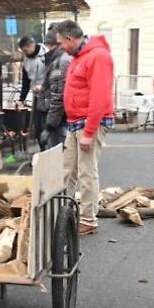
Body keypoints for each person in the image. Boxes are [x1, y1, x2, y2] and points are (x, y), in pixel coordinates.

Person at [55, 20, 114, 235]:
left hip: (89, 123)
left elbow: (100, 97)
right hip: (75, 122)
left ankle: (88, 219)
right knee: (68, 169)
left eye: (62, 43)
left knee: (86, 172)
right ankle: (63, 212)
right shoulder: (80, 57)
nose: (61, 47)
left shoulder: (98, 56)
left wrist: (89, 132)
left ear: (70, 39)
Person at [37, 27, 71, 150]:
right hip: (60, 117)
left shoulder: (60, 62)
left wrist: (49, 126)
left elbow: (58, 96)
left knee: (59, 154)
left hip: (59, 119)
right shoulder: (60, 60)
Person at [18, 35, 48, 149]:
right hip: (37, 96)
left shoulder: (46, 55)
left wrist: (44, 87)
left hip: (49, 95)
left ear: (32, 45)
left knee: (49, 124)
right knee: (38, 126)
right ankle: (43, 150)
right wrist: (21, 99)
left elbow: (53, 76)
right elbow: (26, 82)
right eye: (23, 51)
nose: (24, 53)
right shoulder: (26, 61)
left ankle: (54, 149)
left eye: (26, 50)